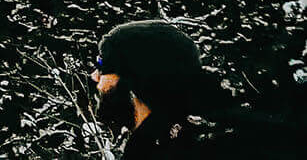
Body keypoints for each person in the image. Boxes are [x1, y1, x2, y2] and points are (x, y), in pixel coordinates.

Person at [91, 20, 296, 157]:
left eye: (103, 66)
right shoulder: (162, 140)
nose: (95, 76)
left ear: (137, 75)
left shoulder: (215, 146)